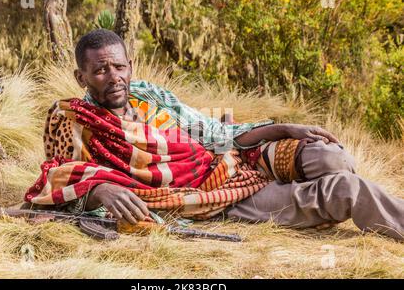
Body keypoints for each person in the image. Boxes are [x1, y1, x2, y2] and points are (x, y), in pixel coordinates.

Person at [25, 29, 403, 240]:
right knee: (347, 190)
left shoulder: (153, 100)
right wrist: (98, 189)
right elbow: (53, 177)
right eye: (100, 70)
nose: (114, 77)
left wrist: (286, 129)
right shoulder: (72, 119)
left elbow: (217, 134)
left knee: (332, 156)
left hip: (230, 162)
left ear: (130, 66)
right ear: (82, 78)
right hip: (211, 197)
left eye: (119, 67)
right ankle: (347, 207)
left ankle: (337, 204)